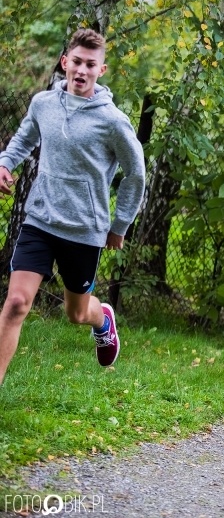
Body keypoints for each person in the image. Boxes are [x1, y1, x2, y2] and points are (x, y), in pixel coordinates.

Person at [0, 28, 146, 385]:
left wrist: (120, 225)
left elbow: (136, 173)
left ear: (101, 70)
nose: (81, 70)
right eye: (76, 62)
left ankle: (103, 320)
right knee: (17, 303)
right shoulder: (43, 104)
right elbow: (24, 138)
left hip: (84, 228)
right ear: (65, 62)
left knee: (77, 313)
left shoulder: (112, 121)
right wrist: (4, 163)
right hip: (41, 218)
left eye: (90, 65)